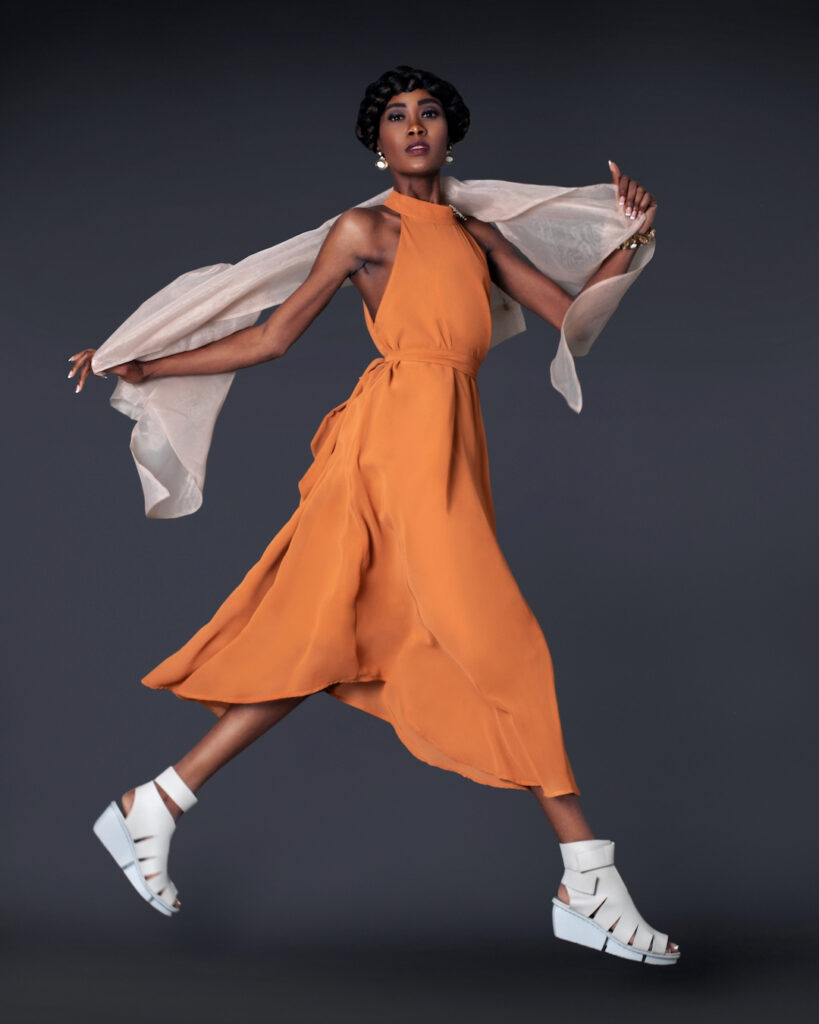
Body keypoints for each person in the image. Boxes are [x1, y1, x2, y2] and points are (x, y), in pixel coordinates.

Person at [68, 65, 678, 965]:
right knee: (503, 640)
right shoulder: (366, 231)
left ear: (449, 134)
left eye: (428, 113)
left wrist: (633, 237)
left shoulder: (473, 236)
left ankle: (151, 806)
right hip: (389, 451)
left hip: (449, 450)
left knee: (325, 637)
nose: (414, 127)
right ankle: (587, 877)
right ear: (377, 142)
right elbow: (274, 332)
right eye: (395, 117)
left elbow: (567, 314)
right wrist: (148, 366)